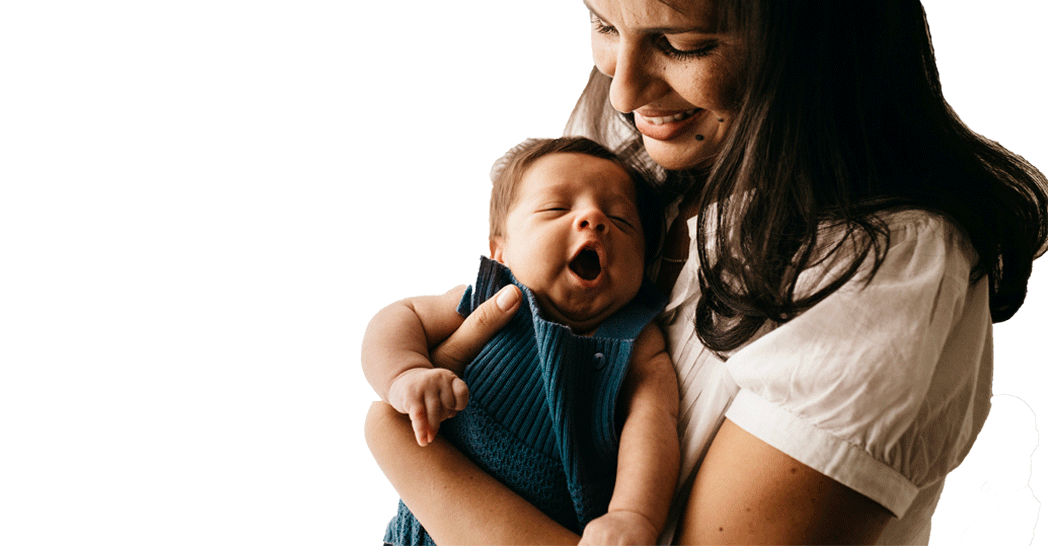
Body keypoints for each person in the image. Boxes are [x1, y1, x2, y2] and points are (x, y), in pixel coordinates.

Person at [365, 1, 1048, 544]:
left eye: (684, 44)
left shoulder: (882, 269)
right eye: (602, 22)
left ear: (814, 44)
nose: (624, 88)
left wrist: (404, 447)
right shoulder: (651, 168)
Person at [362, 137, 680, 545]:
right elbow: (398, 317)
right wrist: (405, 373)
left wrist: (631, 514)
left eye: (621, 220)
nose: (594, 219)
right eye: (556, 208)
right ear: (500, 251)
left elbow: (652, 424)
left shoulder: (636, 340)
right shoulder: (488, 299)